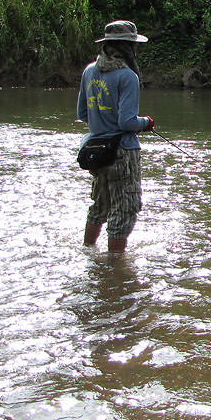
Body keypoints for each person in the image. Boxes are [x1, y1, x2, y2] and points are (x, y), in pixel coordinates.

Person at [77, 20, 154, 257]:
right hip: (122, 151)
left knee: (99, 206)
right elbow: (126, 122)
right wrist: (147, 123)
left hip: (96, 152)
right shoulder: (127, 76)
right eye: (133, 45)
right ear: (127, 47)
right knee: (124, 210)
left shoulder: (89, 71)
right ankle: (115, 272)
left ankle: (89, 256)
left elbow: (82, 114)